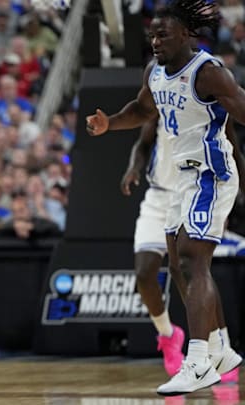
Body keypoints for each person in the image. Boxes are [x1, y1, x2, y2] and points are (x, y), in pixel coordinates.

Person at [86, 0, 245, 395]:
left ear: (187, 35)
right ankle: (220, 349)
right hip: (179, 181)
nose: (155, 41)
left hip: (210, 173)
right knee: (176, 264)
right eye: (152, 35)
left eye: (164, 35)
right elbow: (142, 109)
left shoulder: (208, 74)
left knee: (192, 260)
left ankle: (198, 361)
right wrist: (111, 124)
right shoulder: (154, 72)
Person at [121, 117, 242, 381]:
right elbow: (142, 144)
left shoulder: (211, 103)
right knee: (144, 273)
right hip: (158, 195)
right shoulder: (161, 103)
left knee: (193, 271)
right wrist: (133, 168)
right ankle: (168, 335)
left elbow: (232, 147)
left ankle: (221, 348)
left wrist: (232, 194)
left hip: (196, 192)